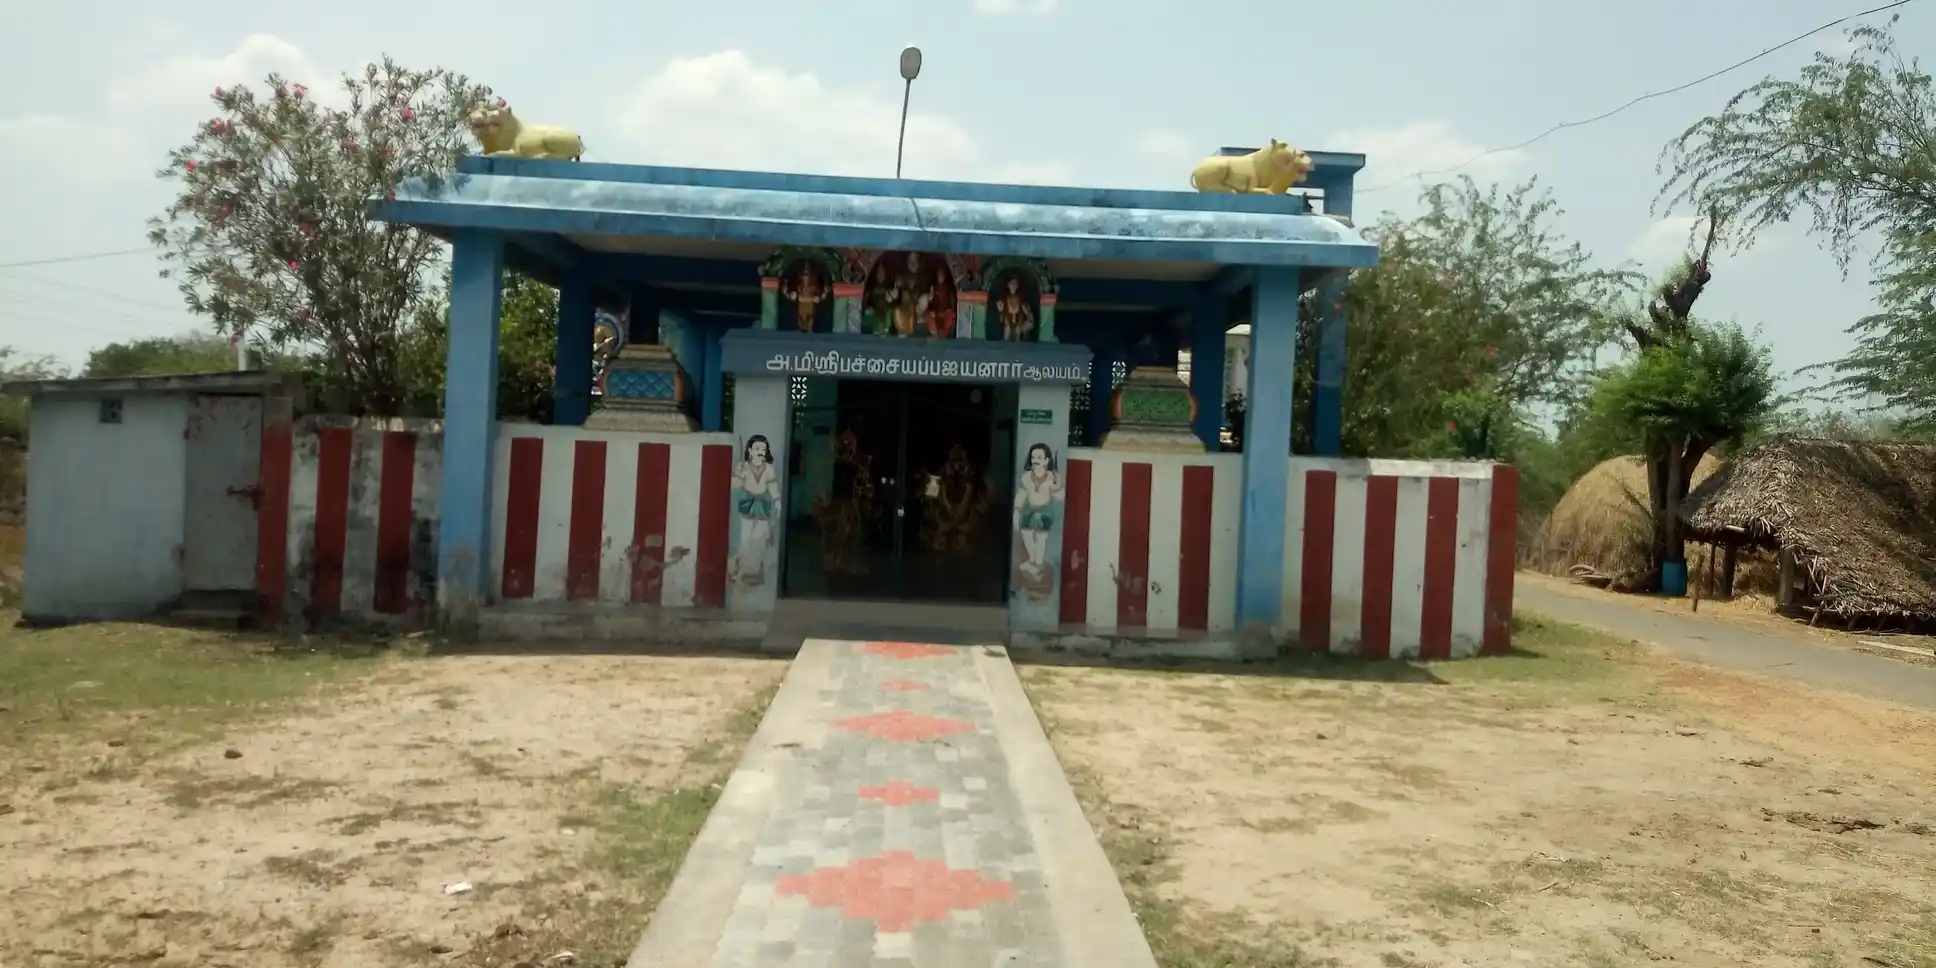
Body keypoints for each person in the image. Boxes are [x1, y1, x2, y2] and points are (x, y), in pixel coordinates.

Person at [731, 435, 780, 586]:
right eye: (757, 448)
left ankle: (755, 570)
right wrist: (739, 474)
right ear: (750, 450)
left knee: (759, 539)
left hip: (763, 505)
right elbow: (734, 485)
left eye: (763, 449)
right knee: (746, 538)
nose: (760, 452)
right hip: (748, 503)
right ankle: (739, 566)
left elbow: (772, 486)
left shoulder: (769, 469)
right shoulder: (744, 467)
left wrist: (777, 500)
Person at [1012, 442, 1063, 578]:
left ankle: (1038, 564)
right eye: (1033, 457)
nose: (1035, 461)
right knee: (1026, 536)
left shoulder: (1051, 477)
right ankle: (1032, 561)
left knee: (1041, 539)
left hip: (1045, 511)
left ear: (1047, 461)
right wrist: (1016, 511)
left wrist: (1057, 485)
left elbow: (1060, 496)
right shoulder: (1026, 477)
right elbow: (1021, 494)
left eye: (1039, 458)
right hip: (1028, 510)